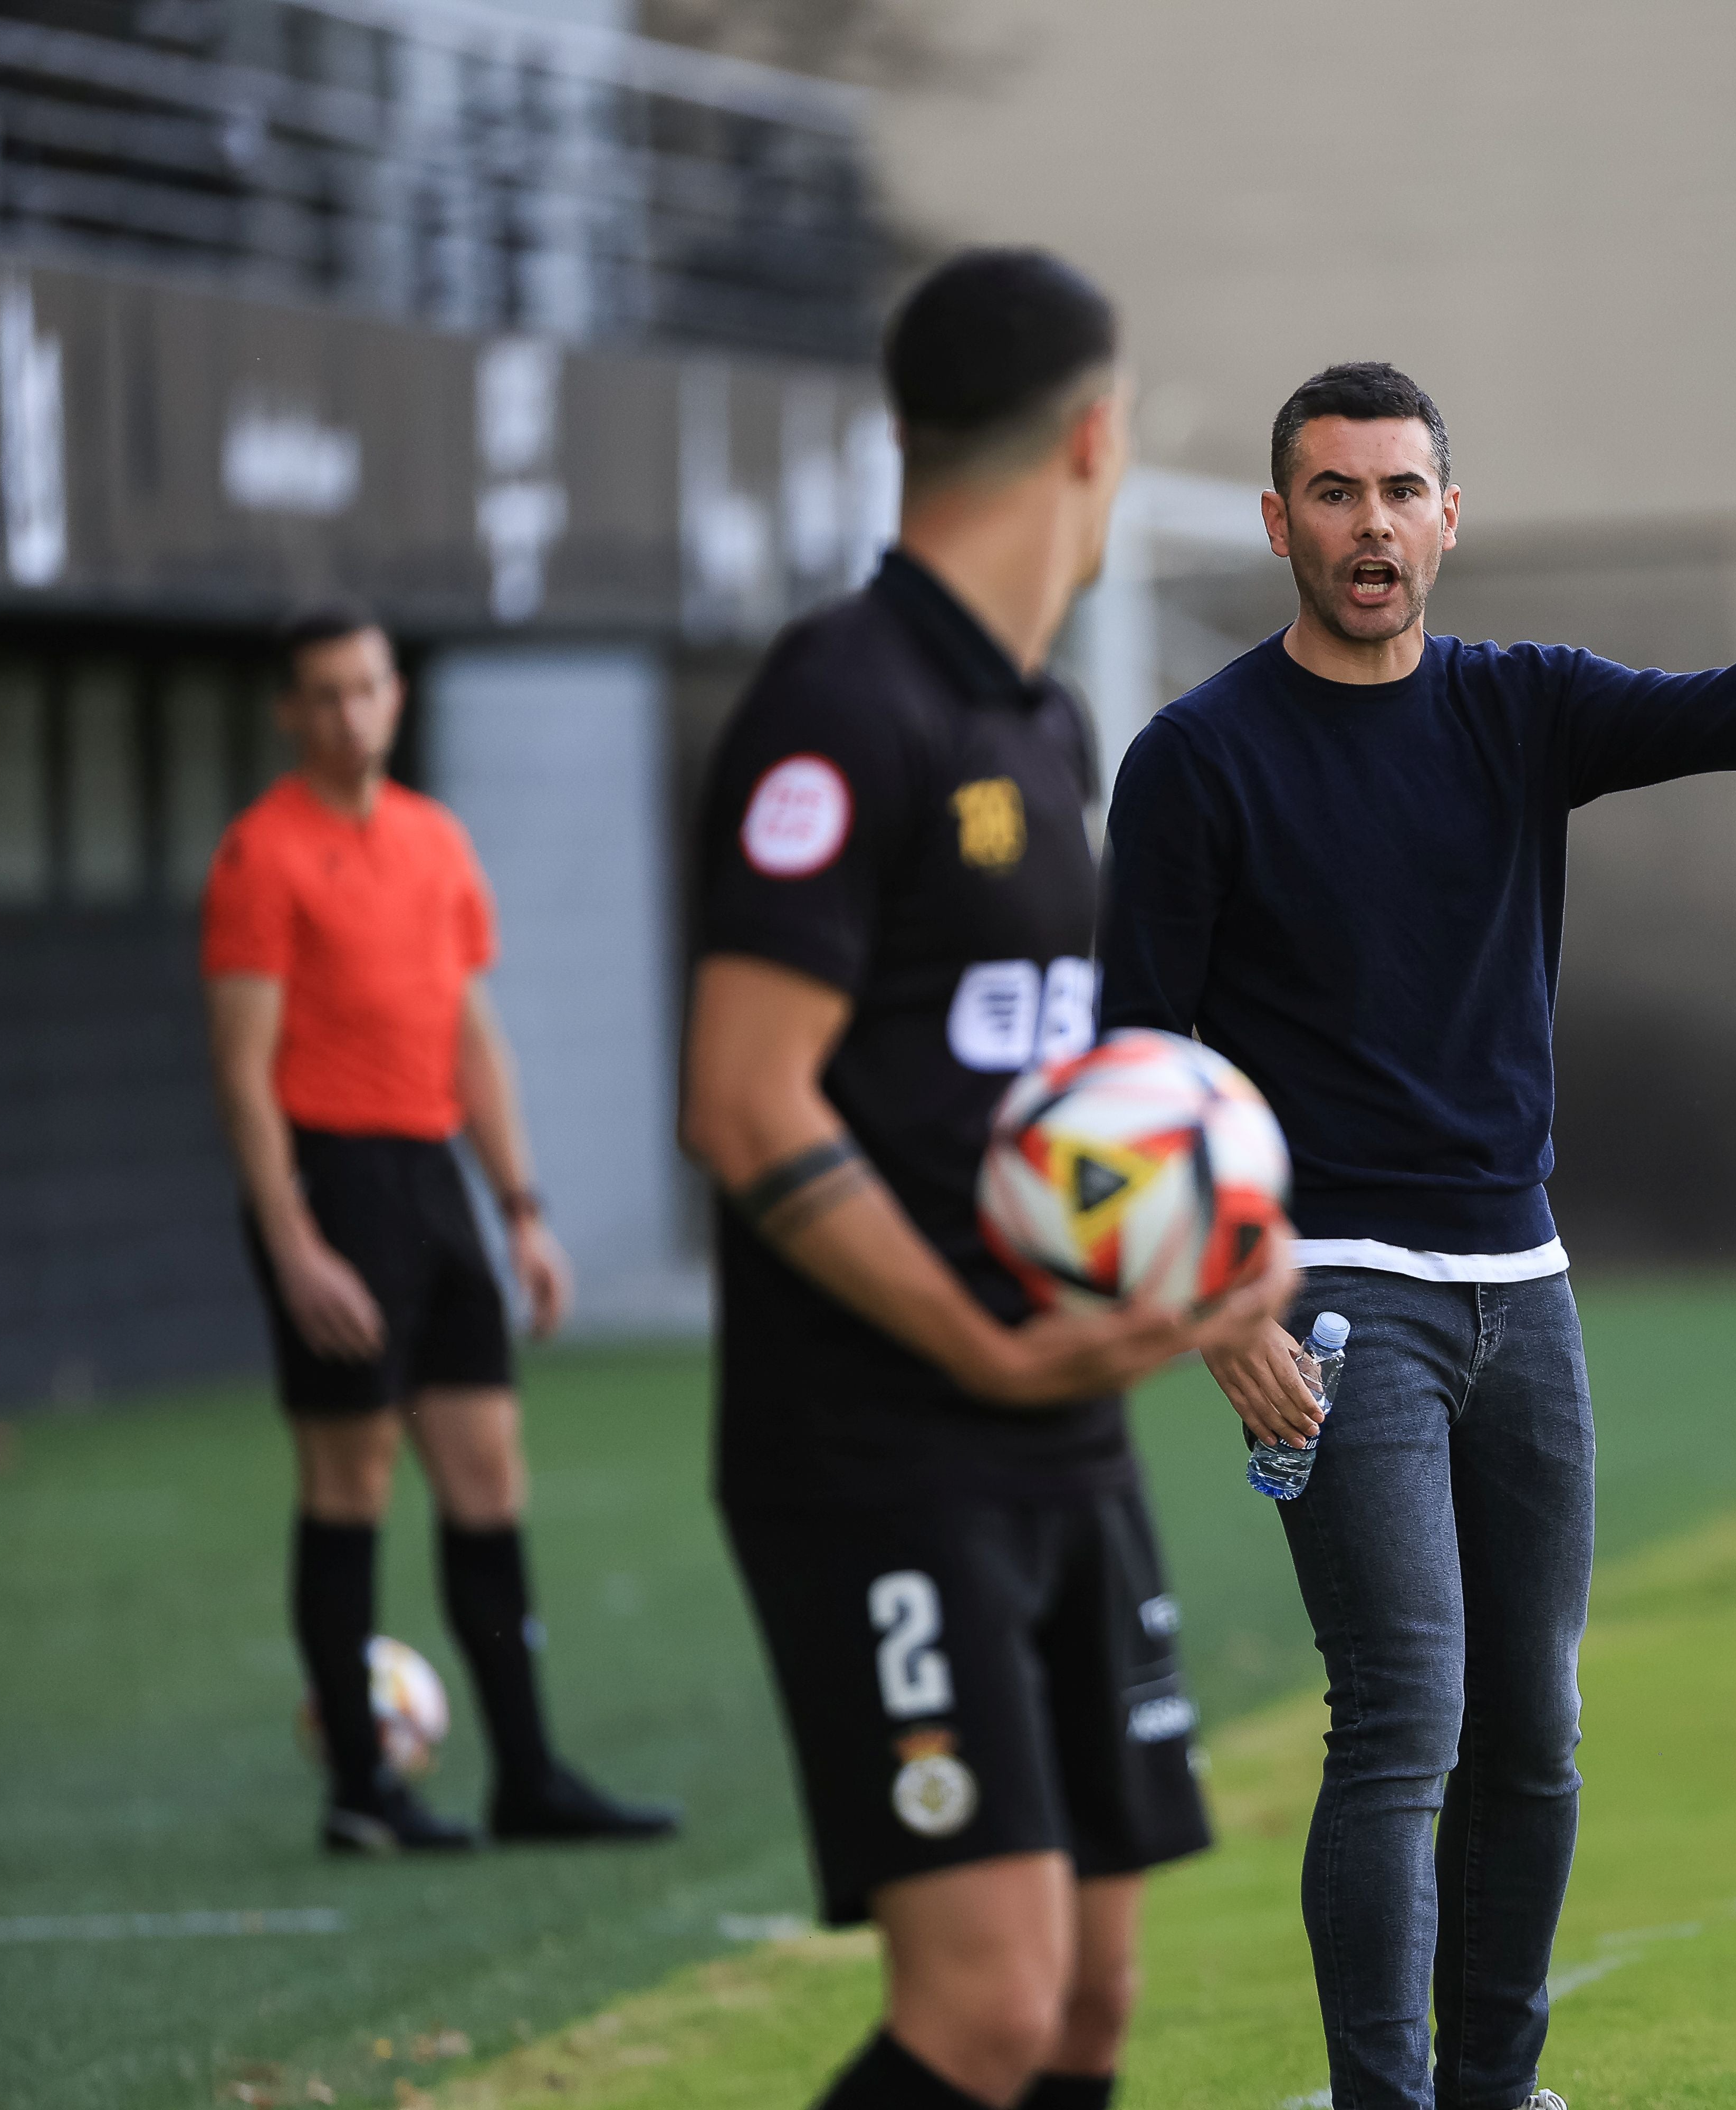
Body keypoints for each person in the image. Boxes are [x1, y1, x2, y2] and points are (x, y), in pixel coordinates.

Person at [1097, 360, 1736, 2110]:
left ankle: (1499, 2088)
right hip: (1342, 1305)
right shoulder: (1197, 760)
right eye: (1337, 495)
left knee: (1535, 1734)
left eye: (1402, 491)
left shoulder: (1522, 710)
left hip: (1528, 1293)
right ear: (1281, 523)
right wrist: (1220, 1305)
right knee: (1403, 1726)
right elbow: (1131, 1068)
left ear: (1452, 515)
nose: (1373, 528)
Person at [678, 250, 1293, 2110]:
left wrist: (1198, 1250)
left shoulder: (1044, 724)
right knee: (988, 2012)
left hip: (1056, 1425)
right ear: (1096, 439)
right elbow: (744, 1099)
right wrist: (979, 1340)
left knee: (1091, 2010)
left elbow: (1048, 1104)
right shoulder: (840, 701)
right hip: (882, 1436)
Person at [203, 605, 679, 1854]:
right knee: (350, 1475)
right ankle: (362, 1787)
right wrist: (295, 1243)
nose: (351, 711)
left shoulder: (434, 839)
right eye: (325, 693)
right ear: (292, 713)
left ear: (395, 695)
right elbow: (243, 1073)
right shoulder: (262, 856)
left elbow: (472, 1033)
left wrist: (522, 1210)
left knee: (487, 1474)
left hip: (436, 1182)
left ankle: (529, 1775)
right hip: (335, 1181)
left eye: (369, 687)